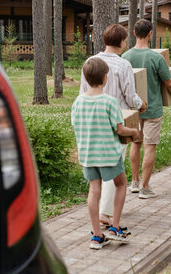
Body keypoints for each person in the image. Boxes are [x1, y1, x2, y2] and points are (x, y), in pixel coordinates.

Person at [80, 24, 147, 227]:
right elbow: (128, 93)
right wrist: (141, 104)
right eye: (125, 40)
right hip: (118, 119)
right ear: (121, 42)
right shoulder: (122, 64)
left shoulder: (90, 61)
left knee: (97, 171)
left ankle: (99, 209)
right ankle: (105, 212)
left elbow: (83, 91)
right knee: (114, 163)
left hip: (93, 119)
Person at [71, 58, 142, 250]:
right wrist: (134, 132)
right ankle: (115, 227)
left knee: (94, 191)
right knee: (121, 183)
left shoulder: (78, 102)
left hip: (88, 155)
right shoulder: (110, 102)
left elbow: (76, 125)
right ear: (105, 78)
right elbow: (120, 130)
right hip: (109, 155)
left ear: (85, 78)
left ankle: (96, 235)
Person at [122, 19, 171, 199]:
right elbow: (169, 82)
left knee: (135, 144)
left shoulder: (125, 57)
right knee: (150, 147)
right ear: (150, 34)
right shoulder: (157, 58)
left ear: (133, 33)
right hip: (153, 110)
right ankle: (145, 189)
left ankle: (135, 183)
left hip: (133, 109)